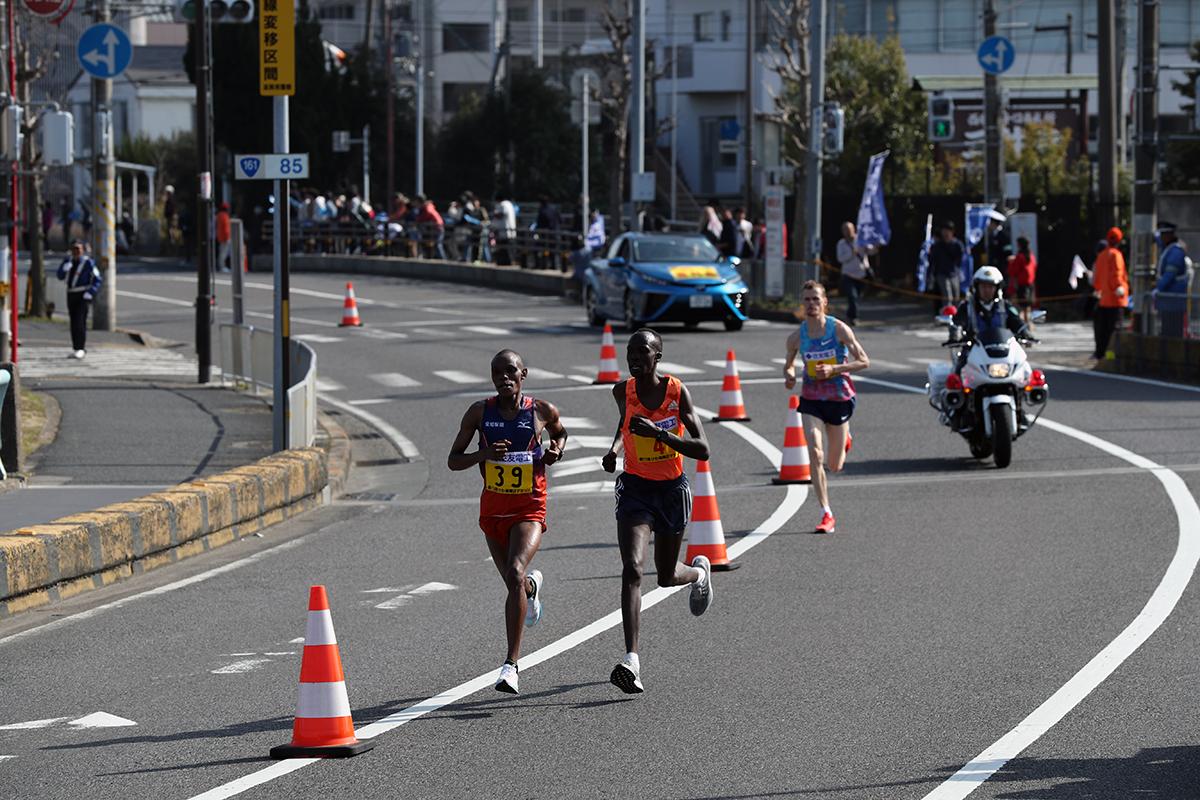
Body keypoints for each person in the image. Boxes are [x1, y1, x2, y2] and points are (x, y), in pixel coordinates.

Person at [448, 350, 568, 695]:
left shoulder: (540, 411)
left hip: (529, 506)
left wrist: (555, 452)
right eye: (497, 373)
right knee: (513, 583)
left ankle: (510, 666)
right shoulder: (479, 413)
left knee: (514, 571)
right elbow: (453, 461)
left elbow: (561, 434)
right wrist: (483, 455)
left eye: (510, 372)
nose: (504, 378)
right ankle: (531, 590)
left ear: (523, 374)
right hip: (493, 510)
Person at [601, 329, 713, 694]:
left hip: (671, 489)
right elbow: (625, 424)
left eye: (642, 352)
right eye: (629, 352)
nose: (634, 358)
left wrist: (660, 435)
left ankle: (698, 575)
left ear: (658, 356)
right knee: (633, 568)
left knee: (666, 576)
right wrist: (615, 450)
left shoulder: (677, 392)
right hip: (635, 488)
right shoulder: (623, 391)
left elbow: (702, 448)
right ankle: (631, 660)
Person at [782, 281, 870, 534]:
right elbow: (788, 365)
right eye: (807, 300)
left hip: (839, 398)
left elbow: (864, 361)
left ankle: (845, 438)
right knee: (816, 454)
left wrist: (835, 369)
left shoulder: (839, 330)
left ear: (824, 303)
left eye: (815, 300)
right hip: (811, 399)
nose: (811, 305)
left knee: (835, 465)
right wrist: (788, 375)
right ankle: (826, 512)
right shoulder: (797, 336)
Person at [56, 241, 102, 359]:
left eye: (78, 249)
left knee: (80, 322)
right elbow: (60, 276)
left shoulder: (88, 263)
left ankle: (81, 347)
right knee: (73, 322)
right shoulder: (68, 261)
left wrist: (90, 292)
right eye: (74, 249)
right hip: (71, 294)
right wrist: (64, 269)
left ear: (82, 250)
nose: (76, 252)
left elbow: (97, 279)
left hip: (83, 294)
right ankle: (75, 347)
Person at [1091, 228, 1128, 359]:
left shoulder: (1101, 256)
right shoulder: (1116, 255)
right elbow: (1116, 274)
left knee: (1103, 331)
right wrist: (1119, 288)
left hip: (1103, 300)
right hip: (1115, 299)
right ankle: (1112, 357)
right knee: (1115, 331)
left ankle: (1102, 354)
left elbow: (1096, 280)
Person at [1154, 221, 1192, 338]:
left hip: (1174, 300)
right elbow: (1158, 240)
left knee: (1173, 333)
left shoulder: (1175, 252)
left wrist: (1158, 288)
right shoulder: (1170, 248)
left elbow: (1169, 275)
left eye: (1163, 235)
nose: (1161, 238)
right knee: (1167, 331)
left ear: (1169, 235)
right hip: (1169, 301)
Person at [835, 221, 872, 326]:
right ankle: (854, 318)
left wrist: (875, 246)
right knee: (852, 296)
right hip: (847, 274)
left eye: (849, 229)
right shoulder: (841, 244)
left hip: (861, 274)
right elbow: (840, 259)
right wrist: (851, 253)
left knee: (856, 297)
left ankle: (849, 316)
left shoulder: (861, 240)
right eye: (845, 230)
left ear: (854, 229)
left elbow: (870, 252)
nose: (848, 232)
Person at [928, 221, 965, 309]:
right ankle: (947, 315)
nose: (945, 233)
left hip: (954, 273)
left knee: (956, 297)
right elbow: (932, 260)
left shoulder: (957, 244)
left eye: (948, 231)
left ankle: (957, 315)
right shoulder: (937, 245)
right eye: (944, 231)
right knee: (947, 297)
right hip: (941, 274)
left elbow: (960, 259)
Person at [1007, 236, 1037, 327]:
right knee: (1027, 305)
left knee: (1020, 304)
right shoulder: (1031, 255)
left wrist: (1011, 262)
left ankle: (1023, 323)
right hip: (1030, 282)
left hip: (1020, 283)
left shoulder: (1019, 256)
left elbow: (1013, 271)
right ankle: (1028, 322)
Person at [216, 201, 232, 271]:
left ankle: (222, 266)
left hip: (220, 236)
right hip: (225, 237)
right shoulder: (225, 216)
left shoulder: (219, 215)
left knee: (222, 252)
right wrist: (227, 237)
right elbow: (226, 228)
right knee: (224, 253)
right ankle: (222, 267)